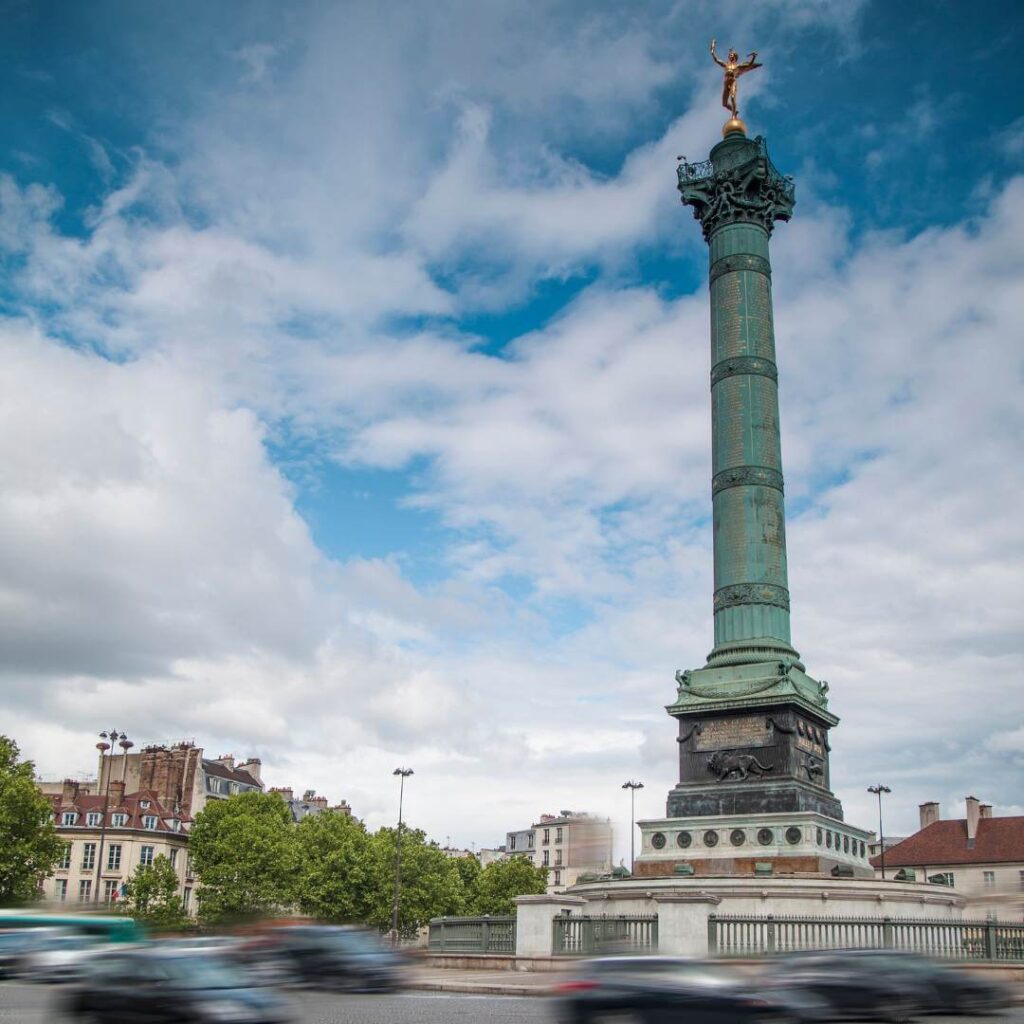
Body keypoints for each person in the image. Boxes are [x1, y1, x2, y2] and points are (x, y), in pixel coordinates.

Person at [710, 39, 762, 118]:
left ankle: (733, 115)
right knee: (724, 104)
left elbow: (749, 65)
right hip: (726, 83)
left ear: (734, 57)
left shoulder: (738, 66)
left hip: (733, 81)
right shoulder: (726, 65)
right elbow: (715, 58)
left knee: (733, 97)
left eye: (731, 55)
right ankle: (734, 111)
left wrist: (753, 57)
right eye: (729, 55)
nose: (730, 56)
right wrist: (713, 46)